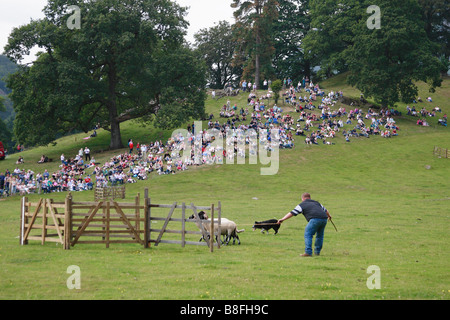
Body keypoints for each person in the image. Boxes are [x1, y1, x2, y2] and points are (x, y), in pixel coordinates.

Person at [277, 192, 332, 257]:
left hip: (314, 219)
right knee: (320, 235)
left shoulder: (302, 204)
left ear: (302, 198)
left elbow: (292, 213)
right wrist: (329, 216)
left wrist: (282, 219)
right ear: (309, 198)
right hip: (324, 219)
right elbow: (326, 211)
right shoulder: (317, 203)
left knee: (308, 234)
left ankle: (308, 252)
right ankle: (317, 252)